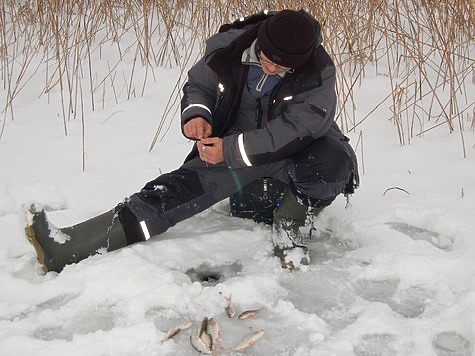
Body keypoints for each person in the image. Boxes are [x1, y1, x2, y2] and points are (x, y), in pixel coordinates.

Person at [25, 9, 359, 273]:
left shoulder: (317, 72)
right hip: (235, 145)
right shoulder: (229, 48)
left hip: (301, 145)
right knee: (174, 192)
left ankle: (289, 227)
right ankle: (66, 247)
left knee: (332, 163)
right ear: (260, 42)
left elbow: (296, 130)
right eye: (268, 61)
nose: (272, 70)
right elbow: (198, 86)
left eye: (283, 68)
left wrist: (228, 150)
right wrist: (198, 114)